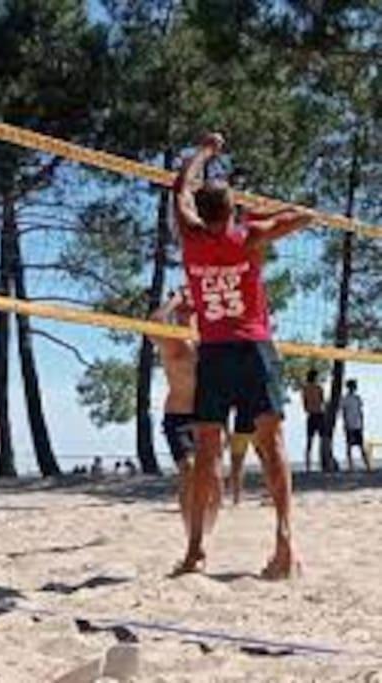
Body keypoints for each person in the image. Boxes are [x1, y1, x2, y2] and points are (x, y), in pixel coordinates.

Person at [173, 132, 315, 578]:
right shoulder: (250, 235)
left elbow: (181, 189)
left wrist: (203, 153)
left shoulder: (189, 237)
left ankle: (196, 550)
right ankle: (285, 544)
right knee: (272, 448)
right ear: (231, 211)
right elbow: (304, 216)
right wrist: (256, 214)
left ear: (201, 211)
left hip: (214, 352)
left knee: (208, 452)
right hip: (253, 349)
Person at [150, 288, 201, 536]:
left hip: (207, 416)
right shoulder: (171, 340)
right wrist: (175, 299)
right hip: (178, 416)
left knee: (209, 478)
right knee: (189, 470)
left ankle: (204, 527)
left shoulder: (204, 337)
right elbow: (153, 324)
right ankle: (191, 532)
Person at [341, 379, 372, 473]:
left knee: (360, 446)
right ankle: (351, 467)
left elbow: (360, 412)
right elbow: (344, 413)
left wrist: (362, 423)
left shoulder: (357, 398)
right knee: (350, 447)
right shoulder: (345, 399)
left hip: (357, 425)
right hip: (351, 425)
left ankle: (367, 466)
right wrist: (345, 424)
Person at [302, 369, 326, 473]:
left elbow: (305, 405)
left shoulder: (305, 389)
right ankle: (321, 463)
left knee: (310, 441)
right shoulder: (318, 388)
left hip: (311, 414)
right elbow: (322, 402)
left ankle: (308, 466)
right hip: (318, 414)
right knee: (321, 440)